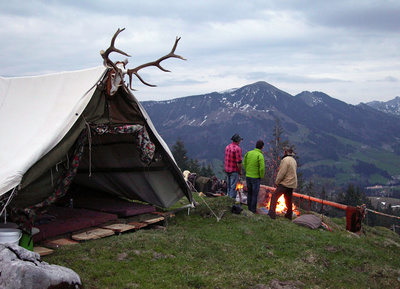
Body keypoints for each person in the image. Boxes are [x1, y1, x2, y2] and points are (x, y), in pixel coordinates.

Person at [268, 145, 297, 220]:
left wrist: (277, 181)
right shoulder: (293, 160)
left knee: (274, 196)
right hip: (292, 183)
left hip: (285, 183)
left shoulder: (285, 160)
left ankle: (271, 214)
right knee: (288, 199)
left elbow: (282, 173)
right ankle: (289, 215)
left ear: (286, 152)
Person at [243, 140, 265, 213]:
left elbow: (244, 163)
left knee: (249, 192)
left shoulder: (249, 153)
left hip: (248, 176)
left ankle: (248, 207)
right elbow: (262, 168)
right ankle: (252, 209)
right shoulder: (260, 155)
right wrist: (261, 176)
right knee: (254, 194)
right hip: (256, 177)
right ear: (262, 147)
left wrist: (247, 170)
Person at [224, 134, 243, 199]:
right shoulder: (237, 149)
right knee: (233, 187)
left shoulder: (227, 147)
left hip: (227, 169)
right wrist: (240, 171)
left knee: (229, 187)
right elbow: (239, 162)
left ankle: (227, 199)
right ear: (238, 141)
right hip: (234, 170)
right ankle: (231, 202)